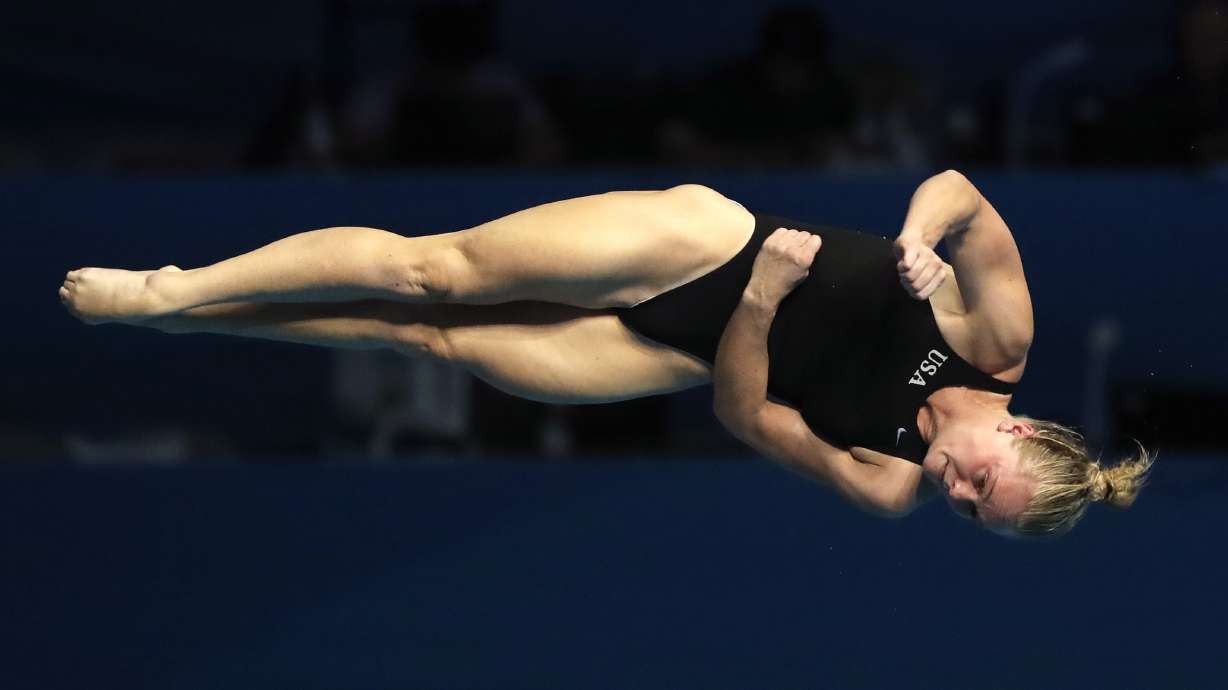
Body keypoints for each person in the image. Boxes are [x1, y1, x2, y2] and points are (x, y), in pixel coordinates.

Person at [59, 171, 1151, 537]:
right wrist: (915, 241)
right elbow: (963, 198)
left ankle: (178, 323)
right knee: (433, 275)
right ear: (1021, 431)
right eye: (984, 482)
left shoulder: (886, 484)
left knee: (428, 340)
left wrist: (767, 306)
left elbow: (744, 415)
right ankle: (176, 286)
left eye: (967, 511)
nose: (955, 490)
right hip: (700, 244)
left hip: (692, 346)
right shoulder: (994, 337)